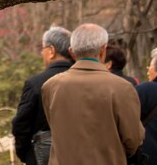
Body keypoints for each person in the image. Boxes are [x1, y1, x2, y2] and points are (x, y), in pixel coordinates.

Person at [41, 23, 144, 165]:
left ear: (71, 52)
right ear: (103, 50)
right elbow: (133, 139)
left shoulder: (50, 86)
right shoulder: (122, 87)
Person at [11, 26, 73, 165]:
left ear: (51, 51)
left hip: (44, 156)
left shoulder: (35, 83)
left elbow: (21, 124)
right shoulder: (85, 78)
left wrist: (26, 154)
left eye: (43, 48)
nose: (41, 52)